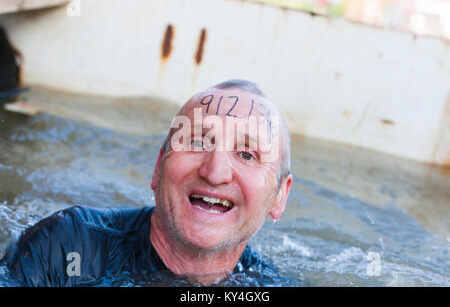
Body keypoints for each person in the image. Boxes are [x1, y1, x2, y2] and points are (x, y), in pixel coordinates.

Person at [0, 79, 293, 286]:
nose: (215, 173)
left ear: (280, 196)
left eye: (246, 154)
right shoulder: (67, 248)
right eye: (196, 142)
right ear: (159, 166)